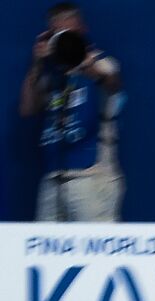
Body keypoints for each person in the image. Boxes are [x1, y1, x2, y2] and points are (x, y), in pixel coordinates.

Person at [18, 2, 123, 222]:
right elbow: (27, 109)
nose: (62, 40)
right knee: (46, 253)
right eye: (57, 34)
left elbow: (113, 85)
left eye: (68, 32)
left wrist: (79, 59)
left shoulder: (102, 64)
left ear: (82, 29)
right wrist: (37, 64)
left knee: (96, 252)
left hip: (91, 177)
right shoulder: (51, 74)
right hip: (53, 179)